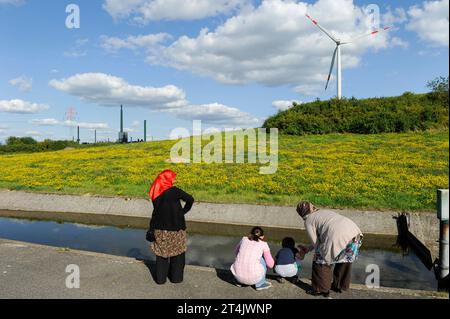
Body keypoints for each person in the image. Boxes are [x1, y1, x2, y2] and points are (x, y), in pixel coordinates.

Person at [297, 201, 363, 297]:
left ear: (301, 212)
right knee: (344, 261)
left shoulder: (308, 220)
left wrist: (316, 252)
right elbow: (321, 238)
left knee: (320, 261)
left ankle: (320, 289)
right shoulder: (322, 212)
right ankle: (339, 285)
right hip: (354, 234)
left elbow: (316, 243)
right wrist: (308, 248)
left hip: (337, 236)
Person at [148, 170, 194, 285]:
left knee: (162, 254)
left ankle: (160, 279)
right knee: (178, 254)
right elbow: (190, 199)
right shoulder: (174, 191)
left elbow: (156, 212)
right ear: (168, 180)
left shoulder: (155, 193)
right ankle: (176, 278)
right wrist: (183, 211)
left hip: (159, 229)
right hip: (176, 229)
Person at [230, 227, 275, 291]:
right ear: (262, 237)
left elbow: (236, 252)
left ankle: (239, 282)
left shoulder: (244, 239)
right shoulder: (264, 244)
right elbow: (270, 265)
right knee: (262, 259)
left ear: (250, 233)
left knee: (241, 257)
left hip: (238, 277)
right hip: (254, 278)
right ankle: (260, 284)